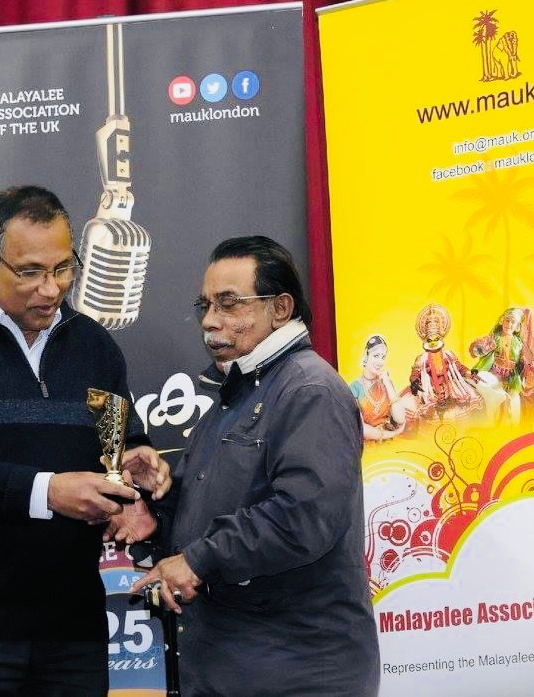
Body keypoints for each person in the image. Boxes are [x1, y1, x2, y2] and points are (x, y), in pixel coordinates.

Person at [0, 185, 170, 696]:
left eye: (64, 268)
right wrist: (48, 491)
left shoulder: (95, 347)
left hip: (72, 626)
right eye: (30, 272)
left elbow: (117, 444)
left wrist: (135, 462)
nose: (51, 288)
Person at [129, 236, 378, 696]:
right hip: (234, 665)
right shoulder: (235, 397)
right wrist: (153, 515)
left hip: (296, 672)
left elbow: (304, 518)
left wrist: (198, 560)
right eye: (205, 305)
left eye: (229, 304)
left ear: (280, 309)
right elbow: (209, 515)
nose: (210, 321)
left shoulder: (309, 391)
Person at [350, 334, 407, 441]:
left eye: (383, 357)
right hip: (368, 444)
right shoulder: (355, 388)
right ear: (366, 356)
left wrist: (387, 383)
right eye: (376, 356)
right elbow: (362, 429)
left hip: (391, 441)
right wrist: (394, 433)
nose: (380, 362)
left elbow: (400, 419)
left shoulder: (386, 383)